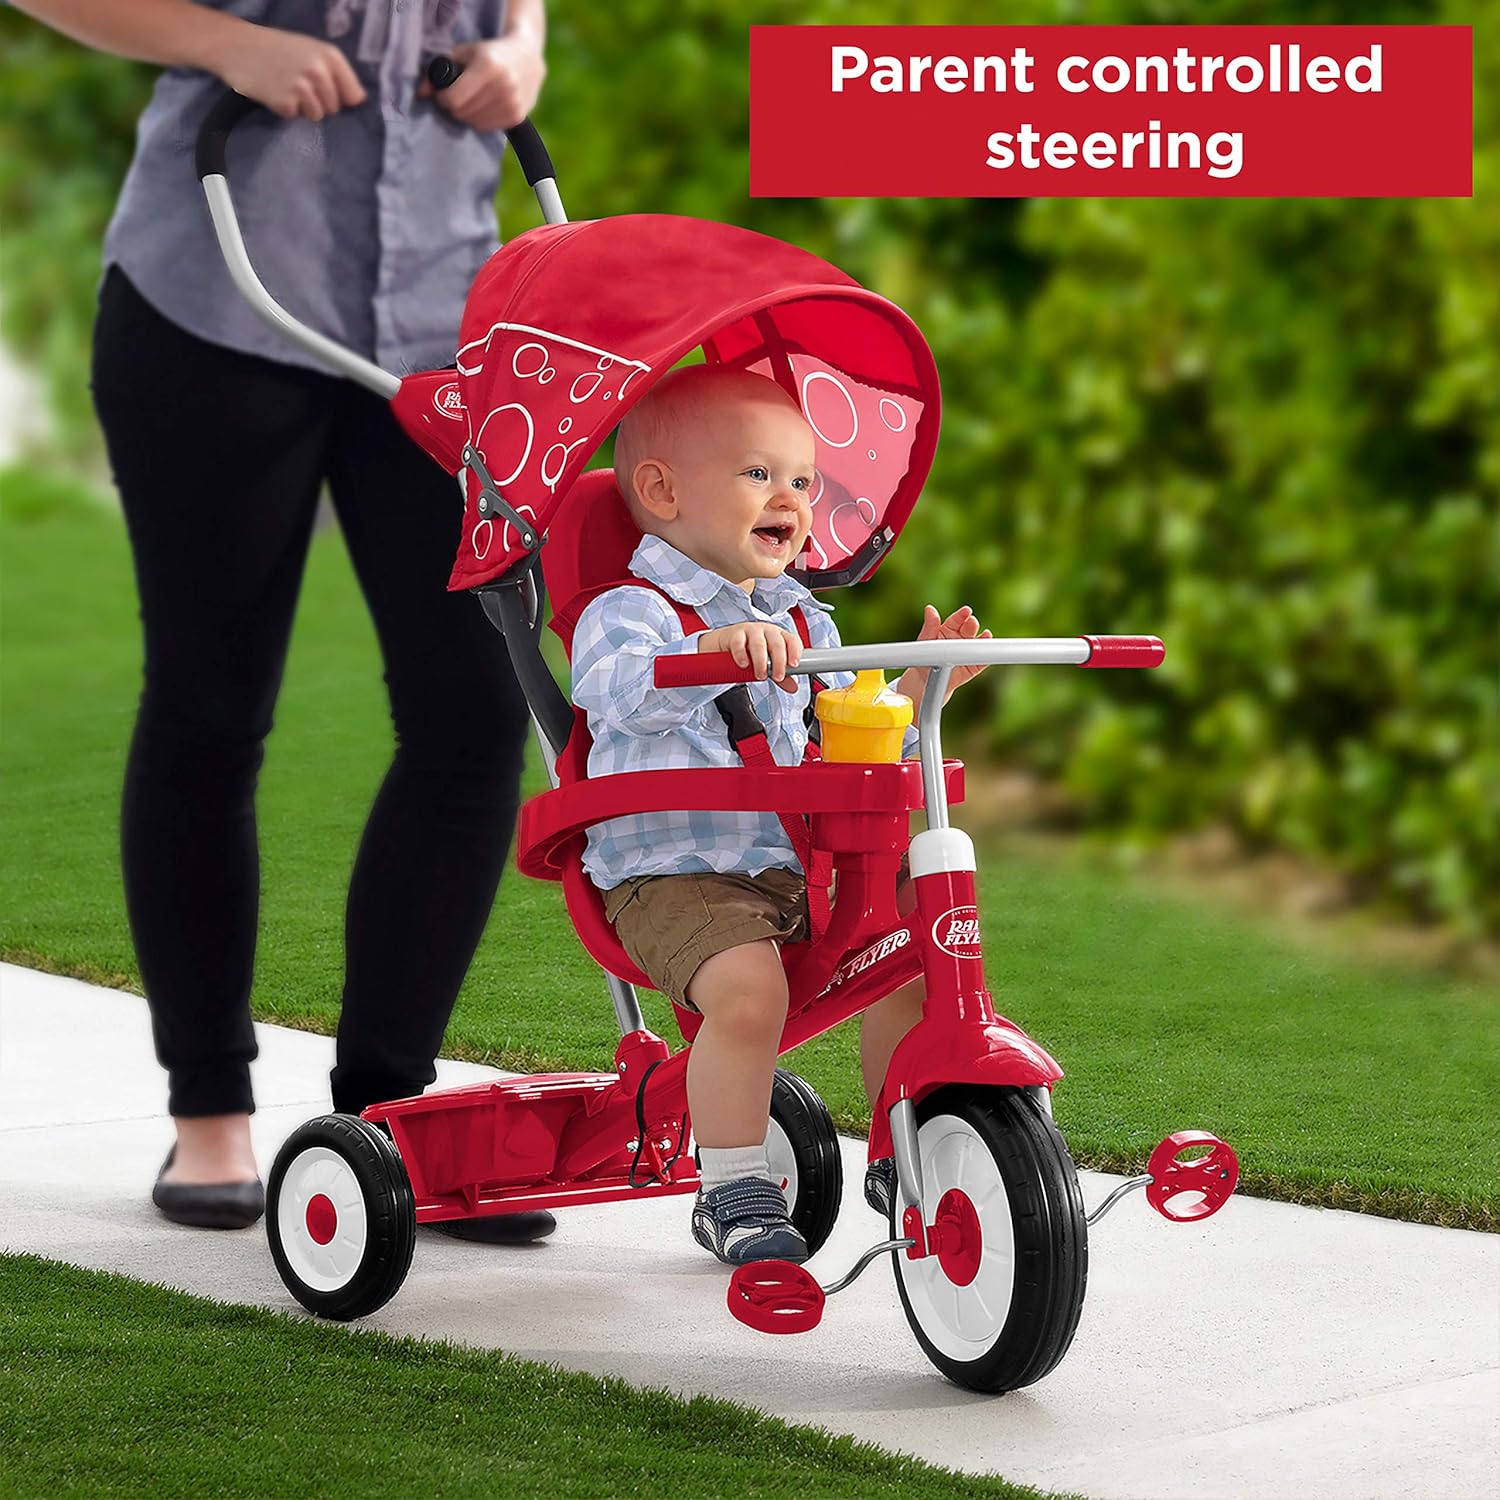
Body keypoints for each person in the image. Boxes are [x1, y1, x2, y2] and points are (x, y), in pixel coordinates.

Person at [13, 0, 553, 1240]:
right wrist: (223, 43)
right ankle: (209, 1111)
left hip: (442, 324)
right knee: (212, 706)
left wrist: (521, 52)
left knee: (473, 721)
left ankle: (385, 1122)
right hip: (219, 297)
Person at [572, 366, 990, 1266]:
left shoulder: (807, 621)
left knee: (916, 946)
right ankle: (731, 1190)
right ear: (661, 490)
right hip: (677, 878)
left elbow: (852, 740)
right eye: (760, 475)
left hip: (800, 870)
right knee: (751, 996)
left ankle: (901, 1143)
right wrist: (707, 651)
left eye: (804, 482)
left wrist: (922, 688)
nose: (792, 500)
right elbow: (611, 692)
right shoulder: (630, 610)